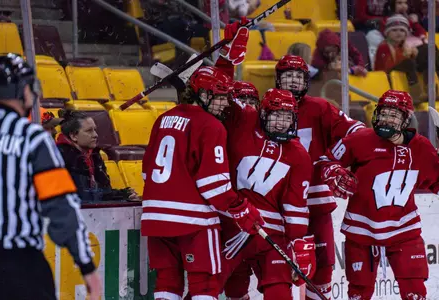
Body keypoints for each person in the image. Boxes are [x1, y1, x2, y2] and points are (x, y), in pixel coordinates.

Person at [319, 90, 439, 300]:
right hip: (361, 232)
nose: (386, 119)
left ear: (405, 119)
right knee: (358, 294)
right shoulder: (359, 140)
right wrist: (332, 172)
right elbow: (324, 161)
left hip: (404, 231)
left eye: (393, 115)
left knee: (415, 293)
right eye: (383, 113)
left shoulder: (421, 147)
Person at [141, 44, 264, 300]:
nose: (223, 104)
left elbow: (146, 172)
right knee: (205, 284)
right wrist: (241, 209)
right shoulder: (211, 126)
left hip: (155, 218)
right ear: (203, 95)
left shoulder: (163, 119)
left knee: (167, 281)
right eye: (219, 97)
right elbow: (214, 187)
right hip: (193, 221)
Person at [0, 53, 101, 299]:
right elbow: (61, 205)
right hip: (20, 265)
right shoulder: (32, 137)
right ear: (20, 90)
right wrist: (87, 266)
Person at [275, 54, 365, 300]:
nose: (293, 81)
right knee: (277, 268)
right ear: (277, 80)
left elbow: (356, 132)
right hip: (278, 204)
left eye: (298, 76)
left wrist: (336, 160)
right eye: (288, 76)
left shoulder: (319, 107)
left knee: (323, 265)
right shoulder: (268, 109)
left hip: (315, 201)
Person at [219, 88, 316, 300]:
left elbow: (295, 207)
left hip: (270, 233)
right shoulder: (245, 124)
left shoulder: (299, 155)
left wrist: (298, 244)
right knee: (210, 287)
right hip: (231, 225)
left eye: (287, 117)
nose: (282, 123)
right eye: (276, 115)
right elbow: (224, 100)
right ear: (263, 114)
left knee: (279, 290)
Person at [56, 109, 140, 202]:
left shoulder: (94, 155)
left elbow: (102, 192)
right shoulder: (59, 157)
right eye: (89, 131)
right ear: (73, 136)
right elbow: (83, 197)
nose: (95, 135)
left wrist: (124, 196)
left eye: (94, 130)